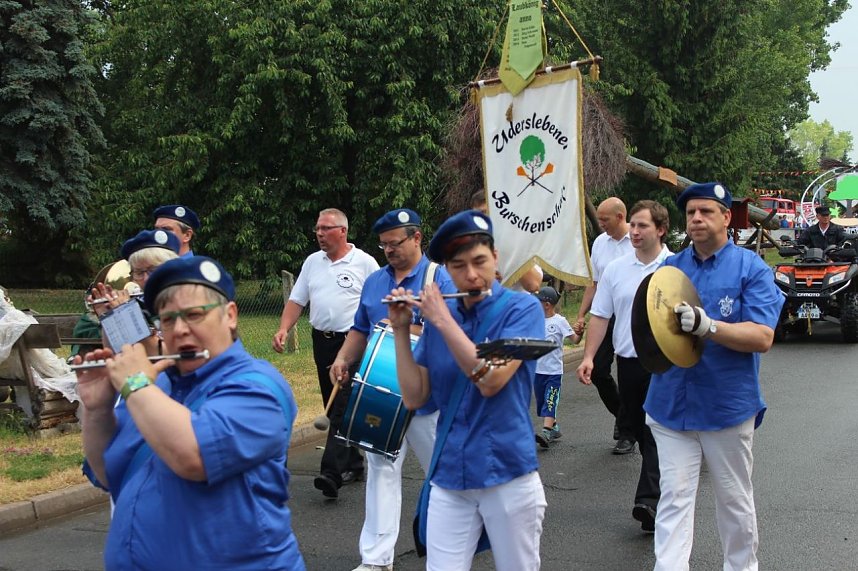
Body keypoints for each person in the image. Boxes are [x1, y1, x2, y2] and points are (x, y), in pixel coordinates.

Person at [76, 256, 305, 570]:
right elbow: (108, 473)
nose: (180, 330)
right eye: (168, 320)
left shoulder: (260, 388)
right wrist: (97, 408)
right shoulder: (161, 385)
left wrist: (135, 384)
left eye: (194, 315)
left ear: (230, 316)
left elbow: (193, 456)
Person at [388, 210, 546, 571]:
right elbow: (414, 397)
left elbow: (490, 380)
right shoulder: (442, 319)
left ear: (496, 258)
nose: (471, 275)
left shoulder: (522, 310)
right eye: (459, 266)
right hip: (450, 474)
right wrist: (400, 330)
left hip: (506, 472)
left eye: (479, 262)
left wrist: (441, 319)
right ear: (447, 271)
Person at [645, 182, 784, 570]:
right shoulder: (670, 269)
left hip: (726, 406)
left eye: (706, 212)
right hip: (671, 404)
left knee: (733, 500)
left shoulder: (751, 268)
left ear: (726, 217)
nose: (696, 219)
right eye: (690, 213)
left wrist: (710, 327)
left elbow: (762, 336)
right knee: (673, 498)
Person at [330, 208, 455, 571]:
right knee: (381, 471)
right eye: (383, 245)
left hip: (427, 399)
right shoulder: (374, 282)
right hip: (381, 395)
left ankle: (459, 539)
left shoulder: (439, 279)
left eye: (394, 243)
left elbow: (453, 332)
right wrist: (342, 358)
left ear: (417, 238)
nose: (388, 250)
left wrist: (406, 329)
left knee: (444, 472)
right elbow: (360, 328)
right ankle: (376, 558)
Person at [576, 200, 673, 533]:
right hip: (628, 362)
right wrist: (589, 357)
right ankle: (666, 485)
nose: (634, 231)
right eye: (632, 225)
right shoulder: (616, 269)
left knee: (654, 428)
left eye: (642, 225)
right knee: (636, 425)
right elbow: (601, 316)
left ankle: (648, 500)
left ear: (660, 229)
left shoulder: (675, 268)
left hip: (665, 365)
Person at [272, 208, 379, 498]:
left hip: (353, 342)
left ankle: (331, 473)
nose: (319, 233)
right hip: (322, 341)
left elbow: (377, 303)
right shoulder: (312, 262)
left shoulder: (365, 263)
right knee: (333, 406)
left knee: (342, 403)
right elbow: (297, 300)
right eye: (317, 228)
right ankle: (355, 464)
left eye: (326, 228)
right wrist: (283, 329)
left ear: (343, 231)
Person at [575, 196, 635, 453]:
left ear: (620, 217)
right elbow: (595, 283)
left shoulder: (638, 240)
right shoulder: (600, 243)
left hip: (630, 317)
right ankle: (624, 416)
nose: (600, 224)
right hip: (604, 317)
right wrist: (580, 315)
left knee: (629, 374)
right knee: (598, 371)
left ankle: (628, 432)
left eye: (604, 219)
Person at [533, 285, 581, 448]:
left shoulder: (559, 321)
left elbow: (574, 340)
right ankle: (554, 427)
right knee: (541, 404)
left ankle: (546, 432)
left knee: (550, 402)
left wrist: (579, 332)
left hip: (553, 372)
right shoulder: (535, 320)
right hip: (537, 371)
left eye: (538, 301)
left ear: (546, 304)